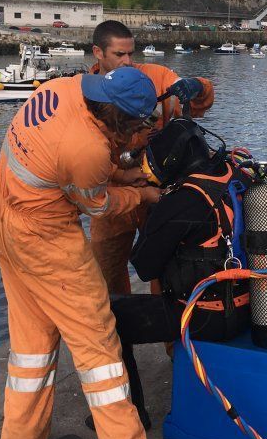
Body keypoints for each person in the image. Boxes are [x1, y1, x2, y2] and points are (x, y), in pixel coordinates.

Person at [0, 66, 175, 439]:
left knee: (32, 344)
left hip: (4, 225)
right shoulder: (87, 148)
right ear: (118, 119)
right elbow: (98, 205)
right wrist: (141, 193)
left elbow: (66, 161)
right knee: (98, 344)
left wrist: (119, 172)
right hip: (46, 240)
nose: (141, 131)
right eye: (139, 124)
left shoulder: (62, 88)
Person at [100, 118, 251, 428]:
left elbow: (145, 267)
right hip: (252, 308)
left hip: (203, 316)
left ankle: (130, 416)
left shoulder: (183, 199)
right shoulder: (238, 176)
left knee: (106, 318)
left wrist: (155, 211)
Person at [88, 20, 215, 296]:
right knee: (107, 278)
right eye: (119, 55)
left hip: (160, 192)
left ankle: (171, 333)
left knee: (169, 273)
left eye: (131, 54)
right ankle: (120, 337)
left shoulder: (154, 76)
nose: (127, 61)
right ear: (98, 53)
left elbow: (195, 99)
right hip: (113, 193)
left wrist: (198, 87)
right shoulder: (89, 92)